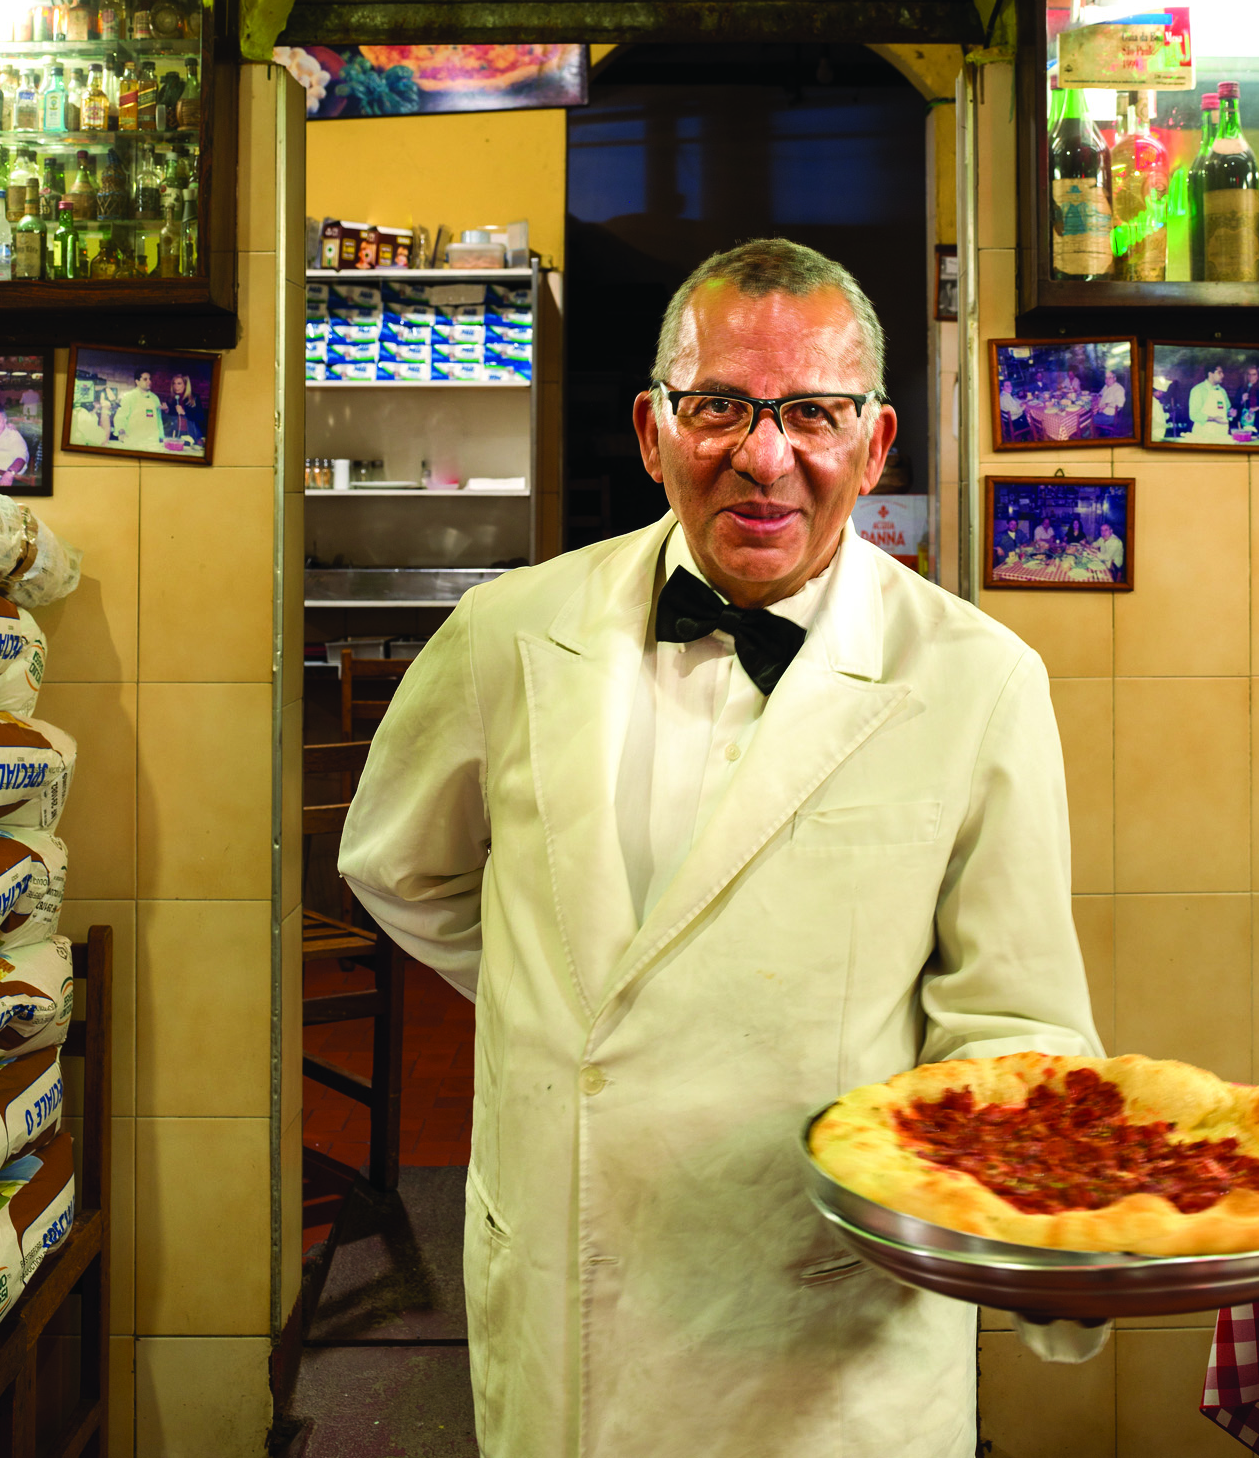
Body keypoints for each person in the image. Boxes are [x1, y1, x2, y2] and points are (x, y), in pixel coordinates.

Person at [341, 236, 1102, 1458]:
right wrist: (570, 1007)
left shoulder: (978, 680)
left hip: (824, 1317)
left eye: (811, 411)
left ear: (874, 441)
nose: (764, 456)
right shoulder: (507, 632)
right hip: (573, 1292)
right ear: (653, 432)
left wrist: (1058, 1227)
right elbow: (398, 864)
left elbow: (1010, 1016)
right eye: (720, 408)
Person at [113, 369, 165, 451]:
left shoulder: (155, 398)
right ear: (137, 382)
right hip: (134, 442)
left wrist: (161, 437)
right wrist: (121, 432)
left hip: (152, 442)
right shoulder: (129, 397)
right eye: (145, 379)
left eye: (150, 379)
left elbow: (159, 420)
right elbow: (120, 417)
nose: (149, 381)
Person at [1186, 360, 1233, 442]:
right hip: (1203, 437)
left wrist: (1231, 413)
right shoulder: (1198, 390)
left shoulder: (1222, 391)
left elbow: (1227, 411)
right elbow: (1193, 415)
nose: (1223, 375)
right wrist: (1213, 419)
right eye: (1219, 372)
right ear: (1210, 374)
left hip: (1222, 436)